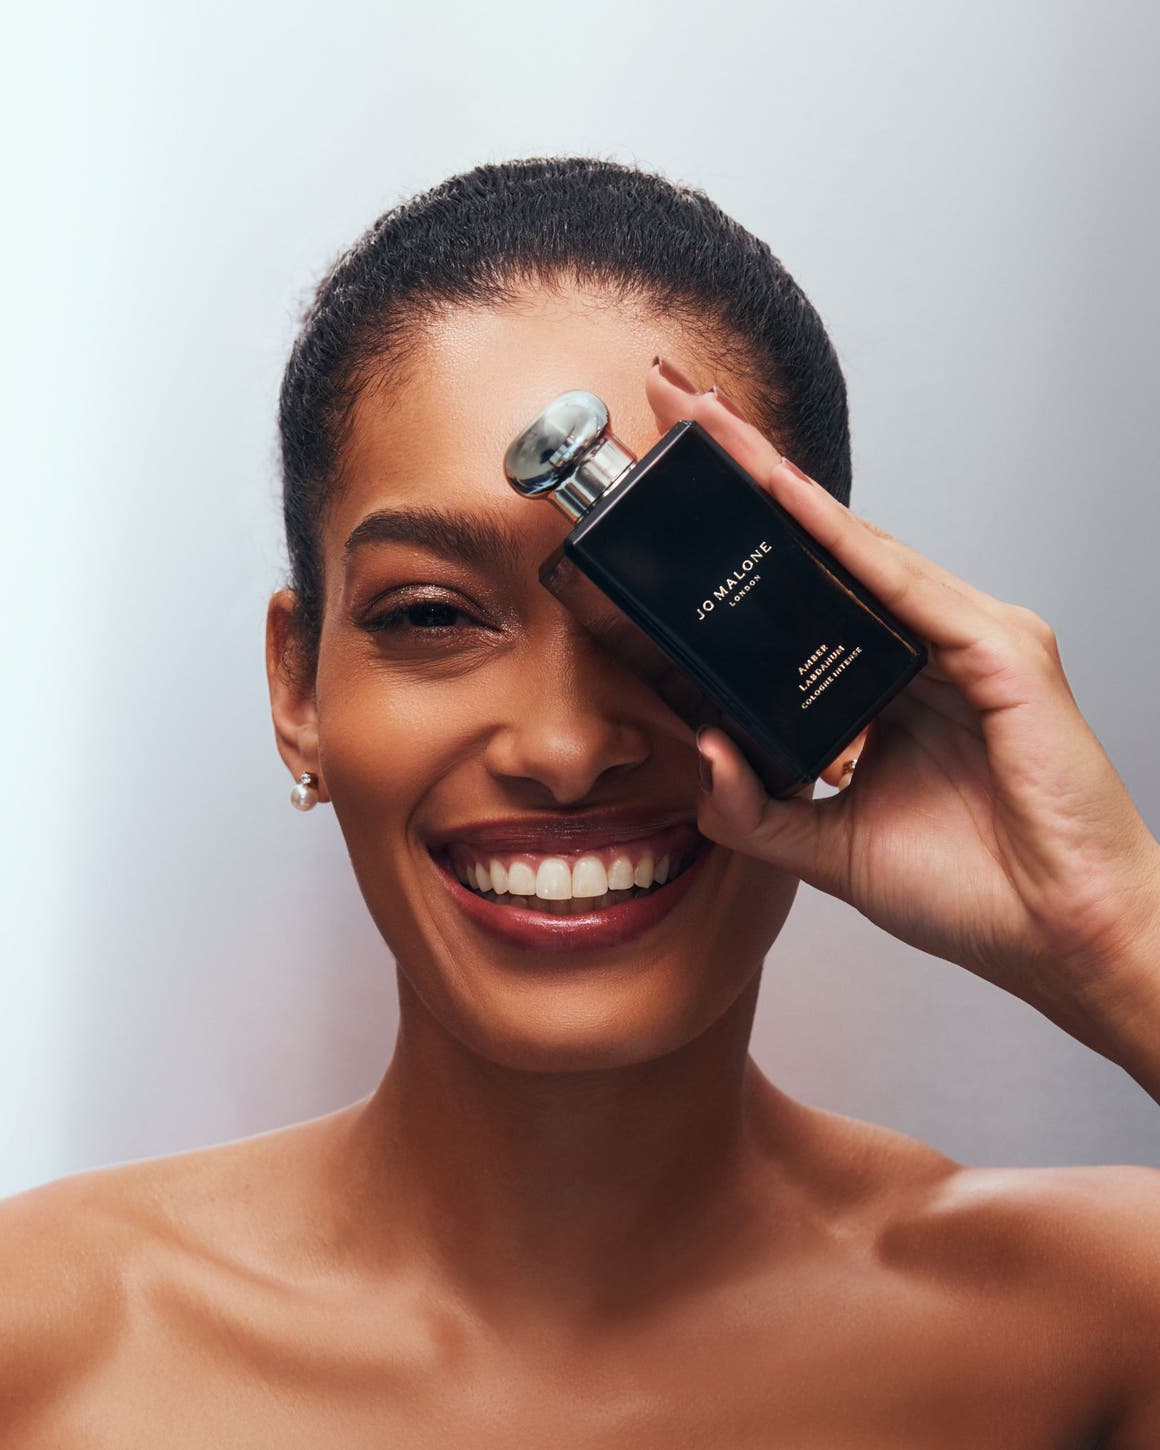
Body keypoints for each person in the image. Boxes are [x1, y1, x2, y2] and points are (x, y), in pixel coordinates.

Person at [3, 156, 1159, 1448]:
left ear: (816, 643)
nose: (564, 748)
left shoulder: (1102, 1325)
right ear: (298, 686)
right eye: (432, 614)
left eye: (668, 622)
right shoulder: (46, 1348)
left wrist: (1122, 942)